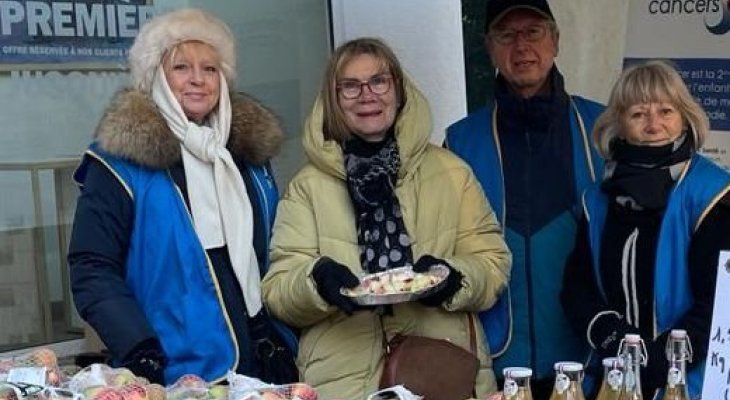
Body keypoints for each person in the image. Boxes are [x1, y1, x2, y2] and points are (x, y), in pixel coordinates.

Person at [261, 37, 511, 399]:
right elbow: (278, 290)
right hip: (342, 382)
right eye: (350, 86)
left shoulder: (452, 172)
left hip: (439, 373)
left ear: (399, 89)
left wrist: (453, 278)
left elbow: (494, 263)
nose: (367, 95)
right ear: (333, 99)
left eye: (379, 81)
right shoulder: (307, 187)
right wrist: (317, 282)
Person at [68, 8, 296, 385]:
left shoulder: (245, 157)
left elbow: (273, 249)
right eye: (181, 67)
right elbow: (92, 267)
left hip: (265, 363)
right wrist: (142, 352)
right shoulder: (119, 164)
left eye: (210, 68)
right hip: (182, 375)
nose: (198, 80)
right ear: (155, 76)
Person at [445, 0, 605, 395]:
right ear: (488, 47)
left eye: (533, 32)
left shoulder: (603, 129)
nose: (522, 47)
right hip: (494, 366)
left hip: (588, 360)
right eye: (507, 35)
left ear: (555, 40)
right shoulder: (459, 142)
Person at [560, 60, 730, 398]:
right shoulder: (597, 198)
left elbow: (720, 301)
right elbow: (577, 288)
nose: (654, 125)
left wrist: (664, 360)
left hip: (692, 382)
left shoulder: (712, 193)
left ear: (685, 116)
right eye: (639, 114)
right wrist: (611, 336)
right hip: (613, 378)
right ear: (619, 124)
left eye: (666, 111)